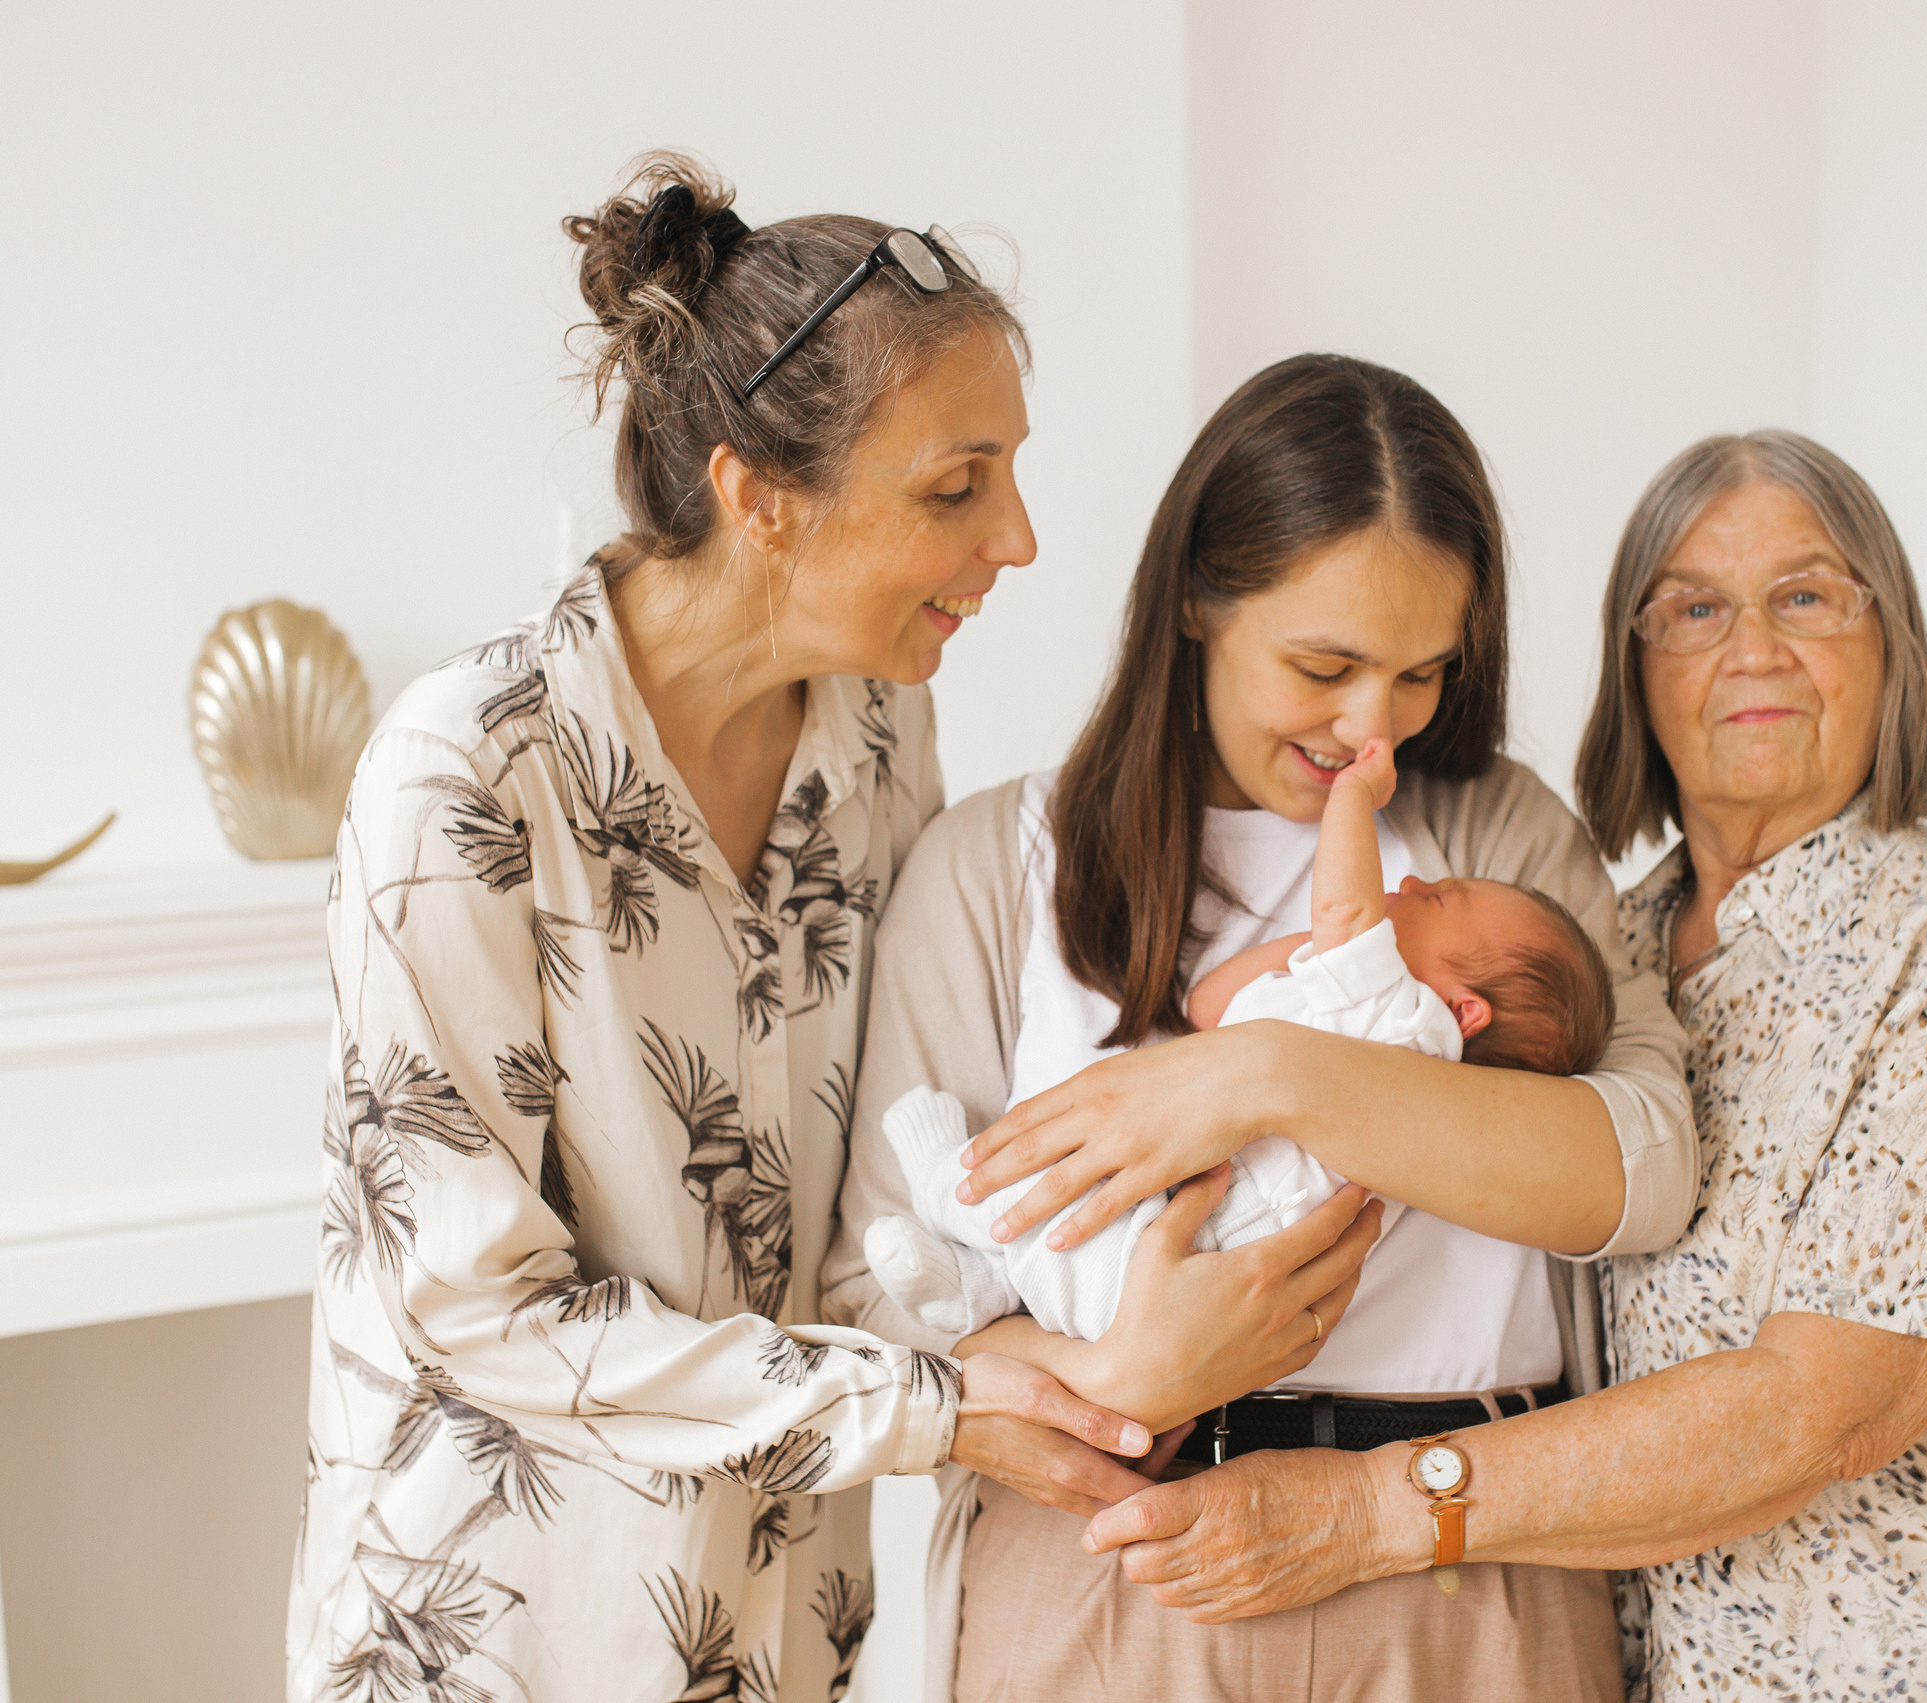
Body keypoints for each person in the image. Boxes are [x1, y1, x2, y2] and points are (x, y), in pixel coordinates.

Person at [287, 152, 1370, 1703]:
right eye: (954, 486)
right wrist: (944, 1403)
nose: (1020, 539)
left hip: (780, 1628)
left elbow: (890, 1163)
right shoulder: (465, 772)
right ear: (758, 498)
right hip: (499, 1635)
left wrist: (1109, 1310)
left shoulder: (873, 735)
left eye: (1010, 471)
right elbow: (476, 1307)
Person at [1071, 430, 1927, 1700]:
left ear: (1894, 646)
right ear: (1633, 666)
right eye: (1693, 607)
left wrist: (1373, 1506)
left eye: (1808, 595)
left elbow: (1826, 1410)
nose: (1752, 647)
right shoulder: (1606, 950)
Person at [823, 353, 1699, 1702]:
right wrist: (1116, 1374)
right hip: (1118, 1567)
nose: (1373, 730)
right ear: (1194, 603)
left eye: (1421, 672)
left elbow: (1638, 1166)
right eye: (1325, 664)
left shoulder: (1486, 838)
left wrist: (1258, 1072)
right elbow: (877, 1295)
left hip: (1460, 1572)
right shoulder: (996, 865)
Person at [861, 731, 1614, 1341]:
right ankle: (980, 1289)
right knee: (1067, 1245)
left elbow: (1346, 913)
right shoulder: (1370, 1028)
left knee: (1046, 1193)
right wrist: (1298, 961)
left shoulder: (1410, 1024)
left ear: (1466, 1011)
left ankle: (941, 1185)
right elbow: (1215, 1006)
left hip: (1181, 1251)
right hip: (1190, 1254)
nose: (1415, 883)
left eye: (1443, 898)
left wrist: (1352, 798)